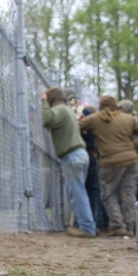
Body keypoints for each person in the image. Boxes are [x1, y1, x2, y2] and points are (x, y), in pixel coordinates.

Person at [79, 95, 138, 236]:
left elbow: (76, 126)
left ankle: (118, 225)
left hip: (109, 161)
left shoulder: (96, 118)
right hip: (131, 160)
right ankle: (130, 227)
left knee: (108, 194)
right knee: (128, 193)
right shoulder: (128, 118)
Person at [41, 87, 96, 237]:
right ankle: (82, 225)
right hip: (78, 154)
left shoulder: (60, 109)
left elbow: (46, 119)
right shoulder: (65, 110)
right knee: (74, 192)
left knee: (78, 192)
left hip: (72, 155)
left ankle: (87, 228)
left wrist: (44, 101)